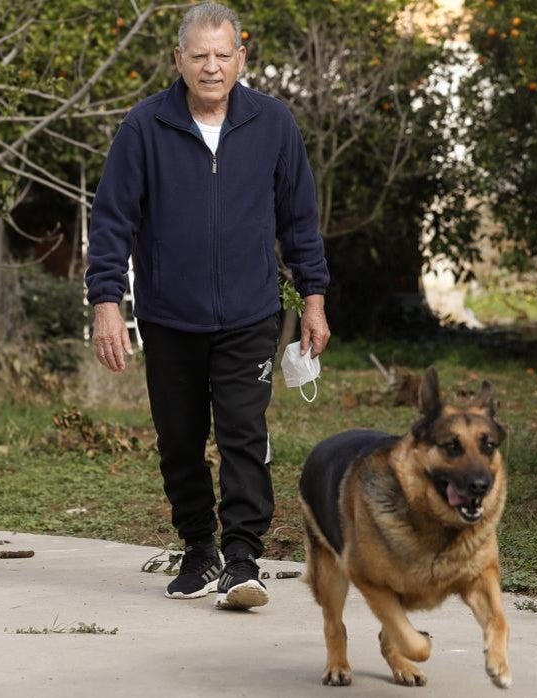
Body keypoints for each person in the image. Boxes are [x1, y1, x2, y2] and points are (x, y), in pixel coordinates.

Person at [84, 1, 330, 611]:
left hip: (250, 315)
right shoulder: (143, 128)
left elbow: (301, 222)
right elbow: (112, 221)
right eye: (200, 56)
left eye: (223, 55)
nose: (212, 67)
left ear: (241, 58)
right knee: (179, 438)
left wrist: (315, 301)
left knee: (245, 433)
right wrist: (106, 303)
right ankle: (199, 548)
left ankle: (243, 557)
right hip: (170, 317)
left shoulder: (273, 123)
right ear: (179, 60)